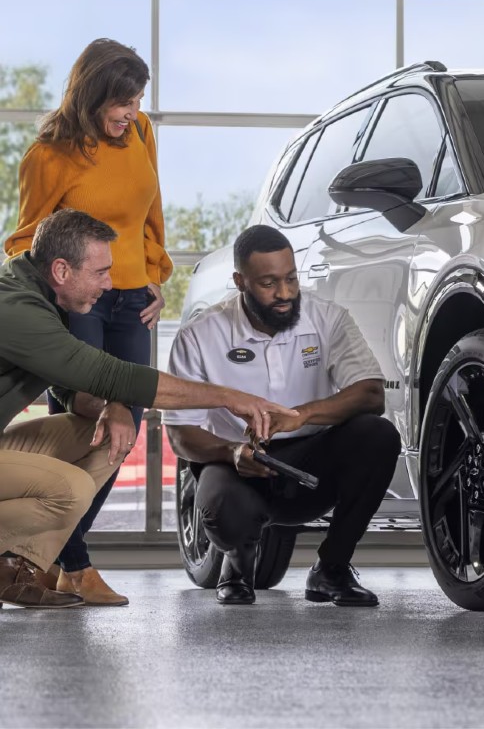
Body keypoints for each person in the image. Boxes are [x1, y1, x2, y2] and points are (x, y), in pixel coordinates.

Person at [0, 210, 296, 609]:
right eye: (100, 272)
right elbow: (110, 373)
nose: (109, 285)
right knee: (70, 490)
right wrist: (232, 397)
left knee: (105, 438)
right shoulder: (18, 311)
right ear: (61, 270)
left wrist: (114, 406)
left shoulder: (41, 297)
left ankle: (12, 568)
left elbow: (73, 389)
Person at [4, 38, 171, 605]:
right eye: (122, 101)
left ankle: (59, 564)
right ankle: (69, 562)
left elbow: (152, 210)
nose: (132, 111)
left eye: (138, 98)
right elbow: (26, 239)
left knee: (127, 423)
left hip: (132, 300)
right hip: (82, 298)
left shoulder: (142, 132)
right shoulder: (48, 156)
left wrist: (153, 273)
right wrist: (72, 288)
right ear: (94, 94)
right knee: (85, 417)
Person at [164, 225, 399, 607]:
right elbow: (180, 435)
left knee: (379, 435)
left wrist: (302, 415)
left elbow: (371, 394)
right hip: (238, 463)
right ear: (240, 281)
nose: (285, 294)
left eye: (291, 279)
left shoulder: (328, 318)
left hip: (311, 462)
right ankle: (237, 565)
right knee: (225, 510)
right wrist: (231, 452)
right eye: (269, 283)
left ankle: (332, 569)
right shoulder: (200, 334)